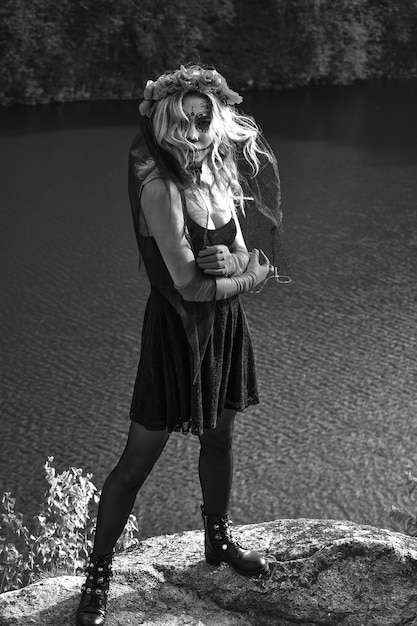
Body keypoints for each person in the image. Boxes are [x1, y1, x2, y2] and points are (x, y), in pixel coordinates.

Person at [75, 64, 290, 626]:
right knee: (136, 463)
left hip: (222, 328)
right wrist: (251, 277)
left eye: (203, 120)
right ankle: (96, 580)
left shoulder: (219, 179)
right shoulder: (159, 187)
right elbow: (189, 285)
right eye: (184, 122)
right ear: (166, 123)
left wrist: (237, 263)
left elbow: (245, 252)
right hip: (176, 330)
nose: (195, 134)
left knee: (219, 440)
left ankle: (216, 541)